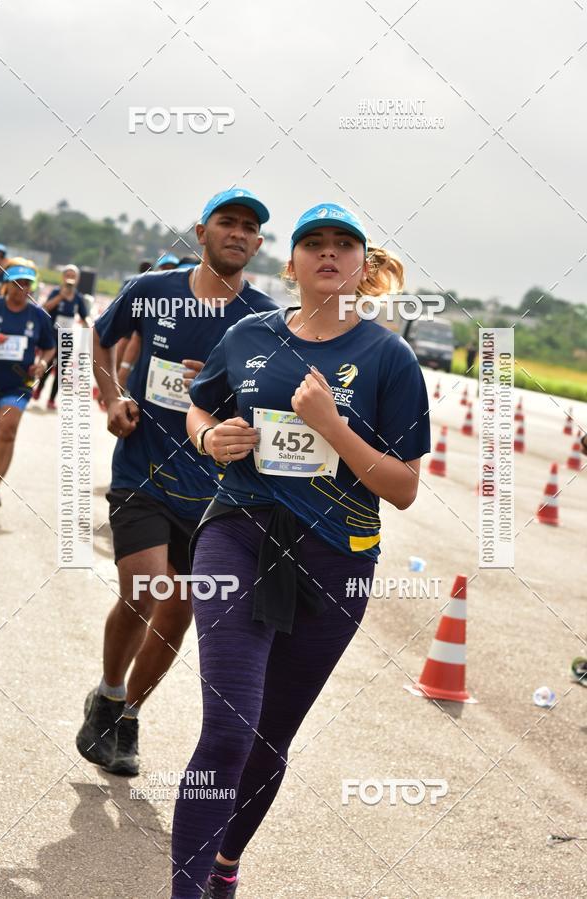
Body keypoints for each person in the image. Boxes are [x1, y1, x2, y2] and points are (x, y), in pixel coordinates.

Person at [170, 203, 431, 898]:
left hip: (337, 557)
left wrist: (333, 427)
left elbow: (403, 487)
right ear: (290, 263)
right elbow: (200, 404)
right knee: (229, 729)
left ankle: (225, 863)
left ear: (361, 265)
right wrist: (208, 436)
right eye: (313, 242)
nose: (328, 253)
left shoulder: (390, 357)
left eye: (344, 243)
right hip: (239, 532)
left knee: (267, 740)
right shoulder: (249, 335)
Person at [75, 187, 277, 778]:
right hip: (143, 468)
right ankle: (109, 692)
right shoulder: (151, 289)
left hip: (215, 489)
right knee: (144, 588)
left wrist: (222, 390)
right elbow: (102, 337)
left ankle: (127, 715)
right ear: (202, 231)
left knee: (179, 611)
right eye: (227, 222)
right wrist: (113, 396)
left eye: (249, 228)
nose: (238, 233)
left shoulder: (265, 319)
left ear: (258, 243)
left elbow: (275, 402)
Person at [0, 260, 55, 510]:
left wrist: (42, 363)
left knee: (7, 430)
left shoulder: (38, 315)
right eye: (17, 284)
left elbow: (49, 347)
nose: (22, 289)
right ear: (7, 285)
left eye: (27, 284)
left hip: (18, 384)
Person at [33, 264, 89, 409]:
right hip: (51, 336)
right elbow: (45, 308)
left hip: (66, 338)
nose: (70, 278)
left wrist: (91, 329)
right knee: (47, 365)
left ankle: (52, 399)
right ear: (63, 277)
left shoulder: (78, 297)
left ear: (77, 279)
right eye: (67, 275)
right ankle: (39, 389)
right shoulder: (56, 292)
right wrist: (61, 296)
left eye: (73, 276)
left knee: (61, 369)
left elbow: (84, 317)